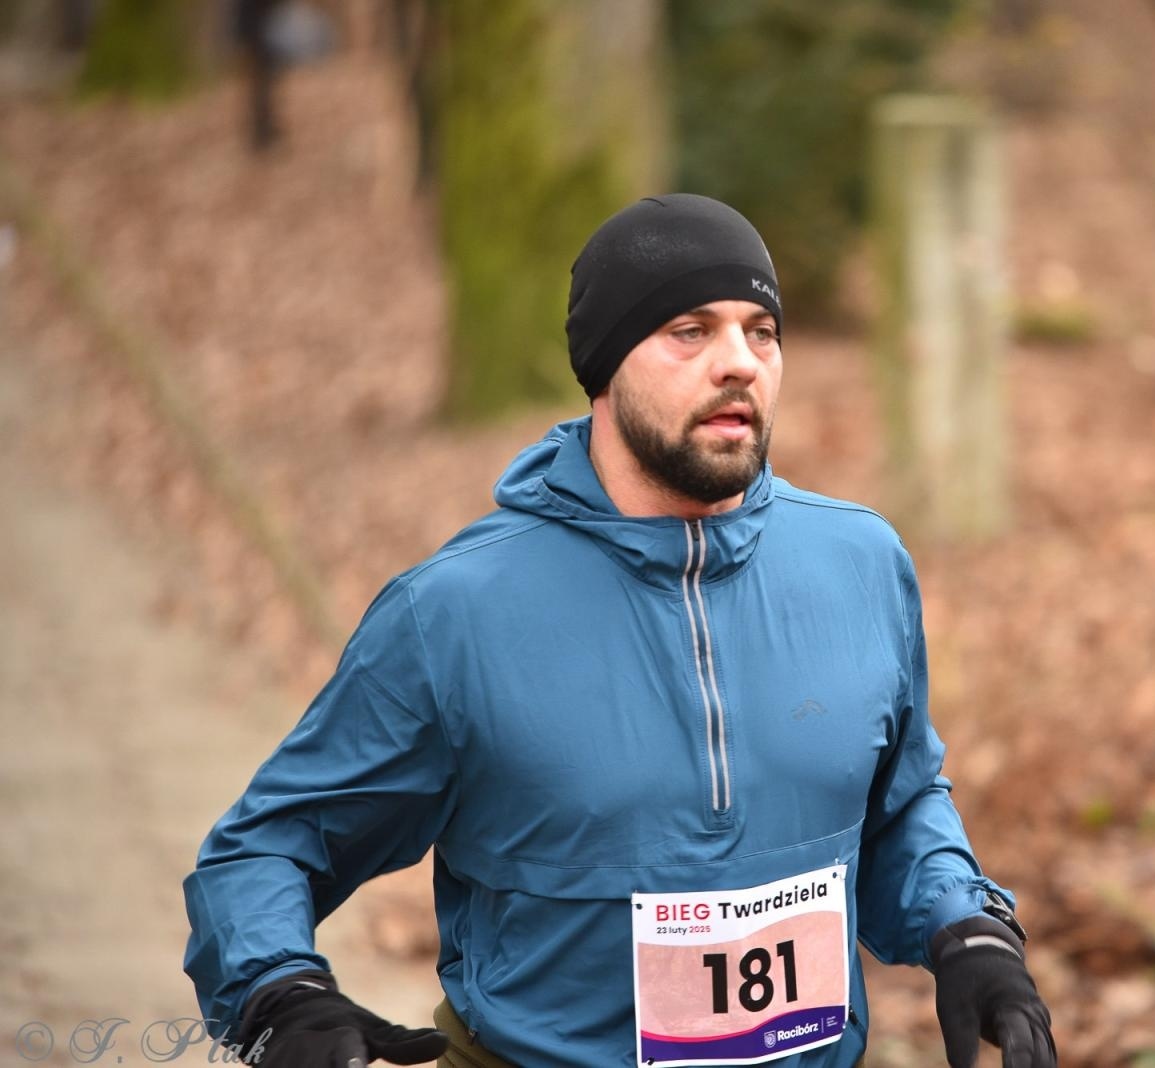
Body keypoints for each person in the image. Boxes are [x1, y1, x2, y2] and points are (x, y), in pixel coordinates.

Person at [183, 194, 1055, 1068]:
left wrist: (965, 927)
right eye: (690, 330)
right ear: (605, 369)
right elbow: (265, 849)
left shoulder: (859, 563)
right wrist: (278, 991)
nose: (739, 363)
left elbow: (897, 804)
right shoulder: (455, 613)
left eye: (762, 332)